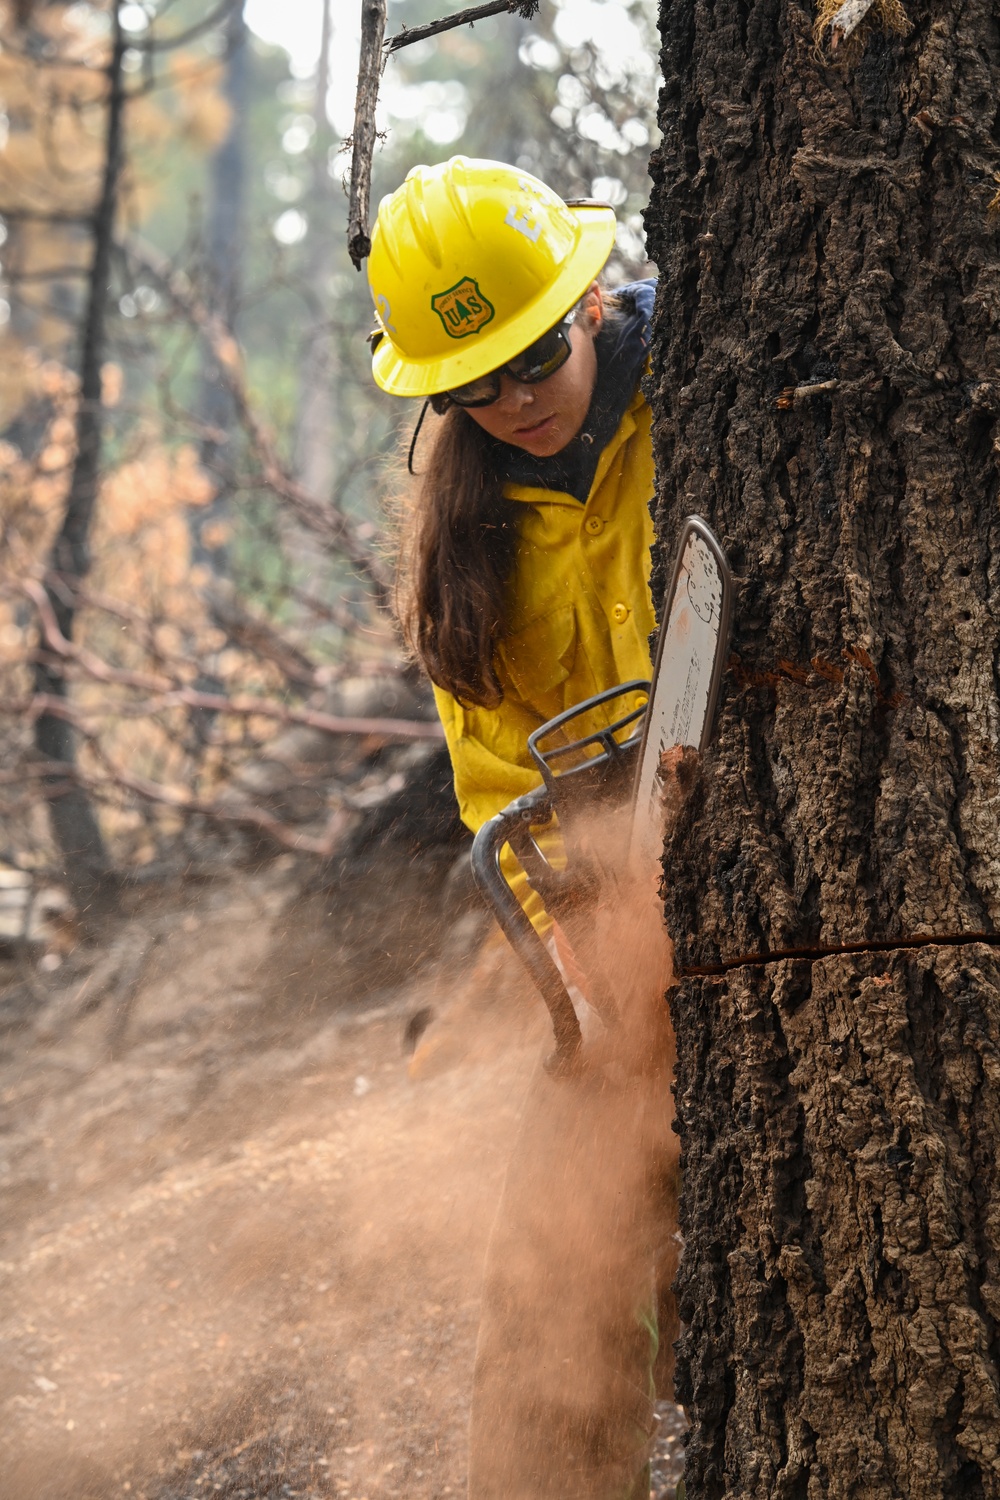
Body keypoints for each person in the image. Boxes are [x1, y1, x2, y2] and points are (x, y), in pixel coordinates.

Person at [367, 156, 677, 1500]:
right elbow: (501, 789)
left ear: (590, 301)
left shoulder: (710, 393)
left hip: (772, 875)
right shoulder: (469, 539)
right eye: (471, 384)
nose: (513, 400)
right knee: (551, 1281)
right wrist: (579, 965)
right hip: (617, 928)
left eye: (532, 355)